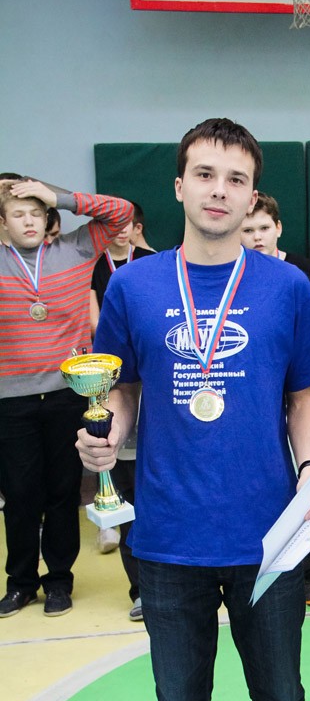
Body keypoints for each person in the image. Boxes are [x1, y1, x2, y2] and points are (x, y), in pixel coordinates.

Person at [76, 117, 310, 701]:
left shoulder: (287, 288)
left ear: (252, 194)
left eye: (235, 179)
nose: (218, 191)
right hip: (167, 536)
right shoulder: (134, 287)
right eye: (204, 174)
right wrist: (109, 437)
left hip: (269, 537)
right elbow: (122, 388)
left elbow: (304, 395)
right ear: (179, 186)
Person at [0, 178, 133, 618]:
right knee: (20, 494)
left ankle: (59, 580)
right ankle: (20, 583)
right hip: (11, 400)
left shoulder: (74, 250)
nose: (29, 221)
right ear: (3, 222)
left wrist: (56, 195)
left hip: (66, 394)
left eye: (36, 213)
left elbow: (121, 211)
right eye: (18, 214)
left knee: (62, 491)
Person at [240, 192, 310, 605]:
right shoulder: (232, 276)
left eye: (264, 228)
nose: (257, 237)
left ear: (278, 228)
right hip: (255, 400)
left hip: (302, 394)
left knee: (309, 480)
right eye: (248, 230)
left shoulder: (301, 274)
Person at [90, 204, 155, 615]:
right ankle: (139, 590)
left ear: (138, 228)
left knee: (155, 499)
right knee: (128, 495)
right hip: (116, 385)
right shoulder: (96, 267)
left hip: (162, 403)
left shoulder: (154, 263)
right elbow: (99, 325)